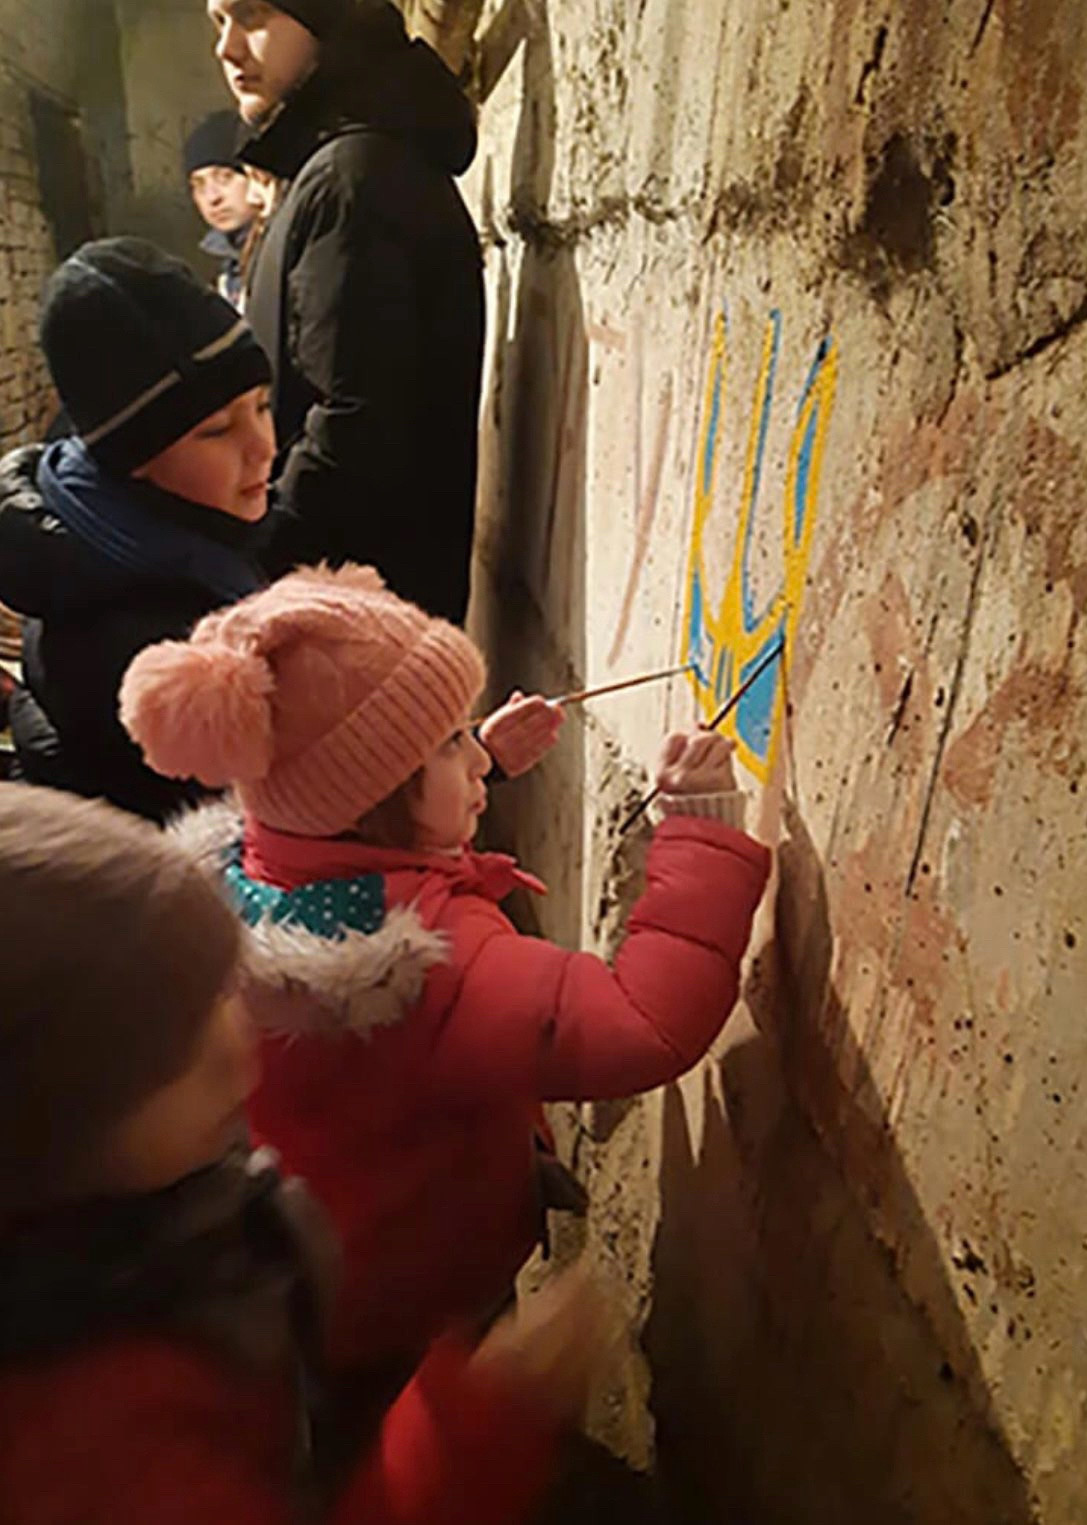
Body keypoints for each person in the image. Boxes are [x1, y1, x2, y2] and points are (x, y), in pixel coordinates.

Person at [120, 564, 773, 1410]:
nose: (473, 753)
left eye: (465, 731)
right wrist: (701, 825)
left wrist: (480, 762)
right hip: (418, 1292)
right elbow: (641, 1022)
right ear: (383, 794)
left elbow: (357, 820)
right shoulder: (433, 963)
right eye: (448, 744)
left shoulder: (258, 875)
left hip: (316, 1276)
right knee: (421, 1441)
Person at [0, 782, 599, 1524]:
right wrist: (479, 1426)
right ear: (60, 1121)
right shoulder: (94, 1446)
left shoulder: (134, 1216)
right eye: (180, 1039)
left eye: (219, 991)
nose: (236, 1038)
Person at [209, 0, 484, 623]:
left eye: (249, 16)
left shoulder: (356, 181)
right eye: (217, 23)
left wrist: (258, 565)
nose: (227, 49)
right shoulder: (342, 168)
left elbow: (355, 423)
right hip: (356, 614)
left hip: (353, 628)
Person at [0, 237, 277, 822]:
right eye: (217, 430)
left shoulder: (115, 536)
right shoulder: (147, 642)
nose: (264, 447)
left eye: (263, 406)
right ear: (133, 457)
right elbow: (281, 820)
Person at [184, 108, 253, 307]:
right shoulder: (226, 272)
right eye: (199, 184)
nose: (212, 197)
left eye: (224, 177)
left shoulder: (284, 256)